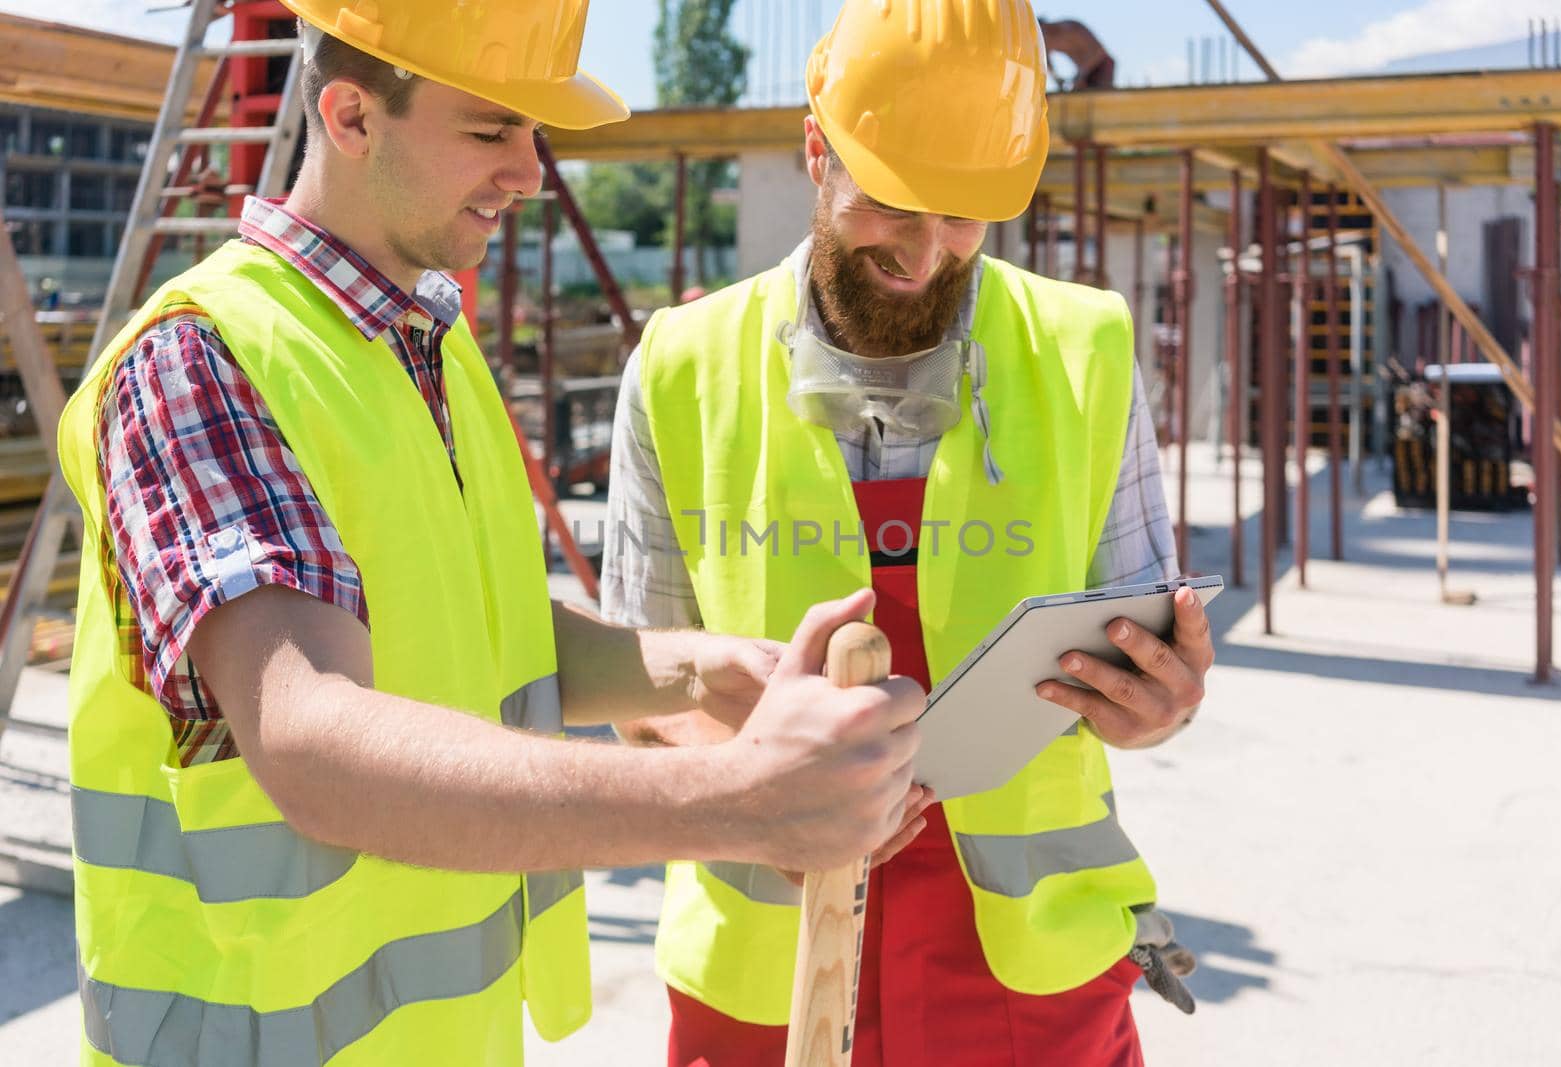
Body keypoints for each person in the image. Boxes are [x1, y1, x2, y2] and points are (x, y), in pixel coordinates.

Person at [56, 3, 924, 1064]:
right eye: (490, 131)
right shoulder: (198, 358)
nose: (529, 172)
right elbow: (310, 740)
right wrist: (737, 802)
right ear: (351, 115)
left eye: (534, 135)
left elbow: (481, 629)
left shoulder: (426, 343)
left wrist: (700, 672)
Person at [601, 1, 1215, 1064]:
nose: (929, 251)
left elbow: (1134, 661)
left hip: (1030, 981)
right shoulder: (679, 363)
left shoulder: (1086, 349)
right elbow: (633, 684)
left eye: (965, 215)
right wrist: (757, 798)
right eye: (894, 204)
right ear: (815, 151)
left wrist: (1156, 705)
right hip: (762, 970)